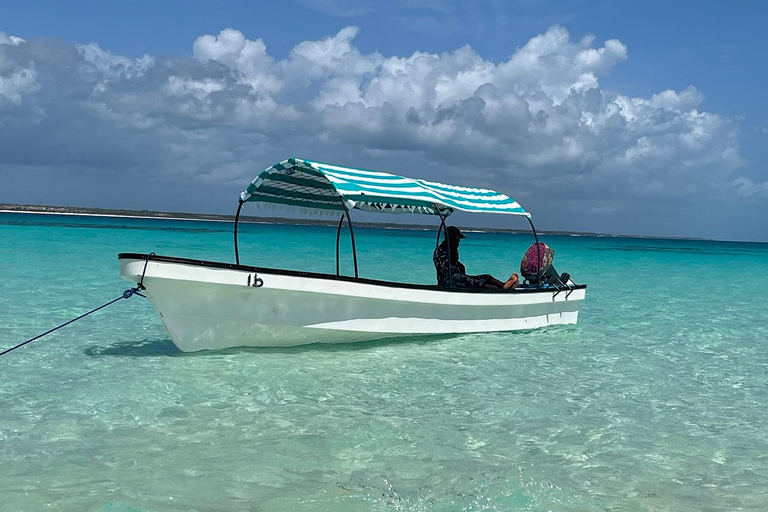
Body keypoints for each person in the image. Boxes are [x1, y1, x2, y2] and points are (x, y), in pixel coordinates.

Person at [433, 226, 519, 289]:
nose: (458, 242)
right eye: (456, 239)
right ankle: (499, 290)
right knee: (477, 283)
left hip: (458, 277)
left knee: (486, 277)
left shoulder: (452, 250)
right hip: (449, 282)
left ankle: (503, 285)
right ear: (450, 239)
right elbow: (448, 270)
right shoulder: (441, 252)